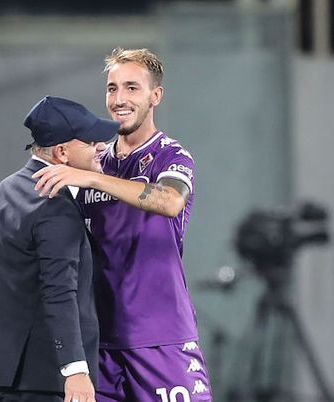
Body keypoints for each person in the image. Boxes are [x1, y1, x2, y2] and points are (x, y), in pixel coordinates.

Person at [33, 48, 213, 401]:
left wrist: (93, 180)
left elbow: (170, 201)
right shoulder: (91, 160)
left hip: (161, 340)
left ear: (155, 96)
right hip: (99, 344)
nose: (119, 99)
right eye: (112, 88)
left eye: (132, 88)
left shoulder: (171, 156)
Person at [0, 96, 119, 402]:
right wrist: (75, 369)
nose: (100, 148)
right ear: (62, 152)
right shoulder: (55, 203)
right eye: (92, 142)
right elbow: (59, 291)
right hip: (38, 378)